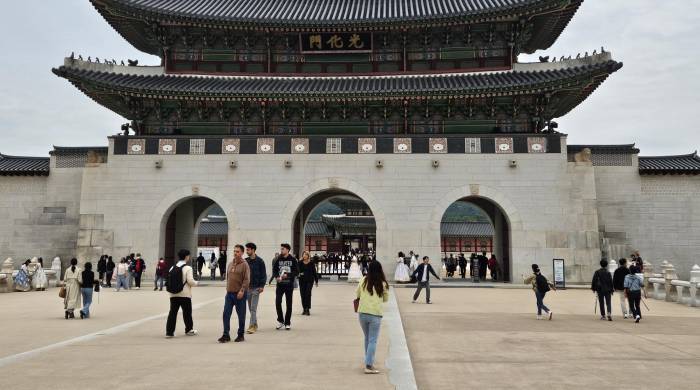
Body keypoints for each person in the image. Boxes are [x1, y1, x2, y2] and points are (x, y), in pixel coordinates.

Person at [355, 261, 389, 374]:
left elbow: (357, 294)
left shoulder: (363, 279)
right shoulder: (383, 282)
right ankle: (369, 365)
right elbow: (385, 299)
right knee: (373, 340)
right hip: (375, 314)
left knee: (367, 338)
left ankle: (368, 360)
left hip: (362, 313)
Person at [218, 245, 250, 343]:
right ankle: (226, 335)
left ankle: (240, 335)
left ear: (242, 253)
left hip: (239, 294)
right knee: (226, 314)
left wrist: (242, 290)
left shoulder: (245, 265)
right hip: (229, 294)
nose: (235, 253)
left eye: (237, 251)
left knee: (241, 315)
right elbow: (228, 278)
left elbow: (247, 279)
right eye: (234, 251)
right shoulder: (230, 263)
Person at [165, 249, 198, 338]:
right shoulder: (188, 268)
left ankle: (169, 332)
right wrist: (196, 283)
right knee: (187, 312)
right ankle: (189, 330)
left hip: (173, 294)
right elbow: (190, 281)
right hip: (184, 294)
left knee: (172, 312)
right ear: (187, 256)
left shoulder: (172, 267)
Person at [272, 243, 298, 330]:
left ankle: (287, 322)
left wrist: (288, 275)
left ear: (287, 250)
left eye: (283, 249)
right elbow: (274, 270)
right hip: (280, 285)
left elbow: (296, 272)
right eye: (281, 249)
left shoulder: (293, 259)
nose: (281, 250)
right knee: (278, 302)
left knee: (289, 304)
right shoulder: (278, 259)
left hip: (289, 285)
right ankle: (280, 321)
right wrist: (276, 277)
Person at [245, 243, 266, 334]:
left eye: (248, 249)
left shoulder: (260, 261)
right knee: (250, 308)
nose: (247, 251)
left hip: (256, 288)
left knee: (253, 308)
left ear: (253, 250)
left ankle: (252, 326)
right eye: (246, 249)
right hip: (248, 288)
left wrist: (262, 286)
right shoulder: (245, 261)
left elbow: (263, 275)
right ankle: (255, 323)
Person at [298, 251, 319, 316]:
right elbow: (297, 271)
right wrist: (299, 274)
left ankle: (307, 309)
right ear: (302, 255)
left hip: (310, 281)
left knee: (308, 294)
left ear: (308, 256)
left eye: (306, 255)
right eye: (304, 255)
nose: (305, 256)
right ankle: (304, 309)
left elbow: (314, 272)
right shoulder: (300, 263)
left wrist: (316, 281)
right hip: (302, 281)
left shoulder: (311, 263)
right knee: (303, 295)